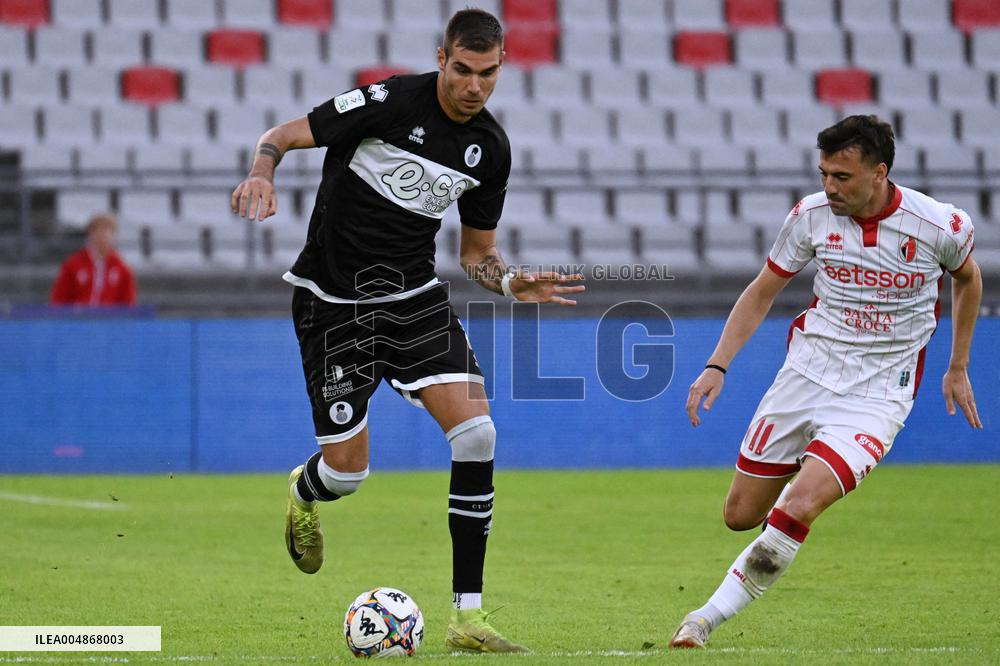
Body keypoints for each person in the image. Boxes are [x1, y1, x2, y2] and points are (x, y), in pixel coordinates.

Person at [231, 8, 583, 654]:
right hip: (333, 303)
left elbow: (477, 253)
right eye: (463, 70)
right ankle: (304, 492)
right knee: (346, 475)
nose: (474, 85)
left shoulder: (490, 150)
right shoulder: (388, 102)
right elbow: (281, 135)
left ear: (501, 68)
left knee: (478, 434)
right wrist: (261, 170)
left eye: (488, 73)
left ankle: (467, 618)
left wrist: (507, 283)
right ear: (442, 58)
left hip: (414, 300)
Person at [669, 115, 982, 648]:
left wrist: (957, 366)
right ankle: (789, 508)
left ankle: (703, 619)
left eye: (842, 176)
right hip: (806, 374)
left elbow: (969, 281)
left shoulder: (939, 226)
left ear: (879, 173)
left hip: (878, 394)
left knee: (798, 507)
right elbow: (763, 290)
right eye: (824, 174)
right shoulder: (810, 217)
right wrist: (717, 364)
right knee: (740, 516)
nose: (829, 187)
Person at [51, 213, 137, 307]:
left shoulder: (122, 267)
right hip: (78, 319)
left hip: (110, 320)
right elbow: (59, 299)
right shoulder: (73, 264)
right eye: (99, 232)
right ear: (90, 234)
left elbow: (128, 303)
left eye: (107, 232)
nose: (103, 238)